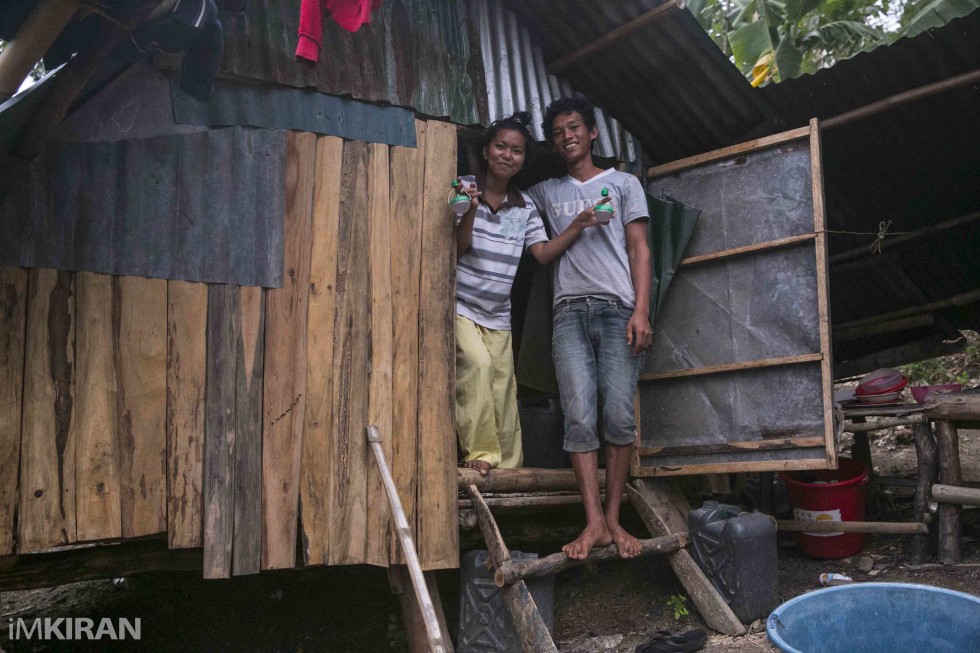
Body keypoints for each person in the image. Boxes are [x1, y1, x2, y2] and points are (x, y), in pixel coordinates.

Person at [526, 97, 653, 560]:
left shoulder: (624, 183)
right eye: (558, 132)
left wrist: (641, 311)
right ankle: (594, 522)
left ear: (592, 132)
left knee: (618, 416)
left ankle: (614, 518)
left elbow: (640, 250)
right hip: (568, 314)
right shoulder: (545, 192)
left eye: (574, 127)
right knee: (579, 416)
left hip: (619, 309)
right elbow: (505, 197)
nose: (567, 136)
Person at [455, 113, 601, 476]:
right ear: (487, 151)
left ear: (523, 159)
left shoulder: (525, 209)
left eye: (516, 151)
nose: (507, 155)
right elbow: (455, 248)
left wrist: (578, 225)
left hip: (498, 314)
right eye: (501, 147)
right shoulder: (463, 190)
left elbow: (542, 254)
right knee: (478, 366)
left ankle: (509, 464)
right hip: (461, 307)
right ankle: (482, 454)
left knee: (505, 388)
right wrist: (471, 209)